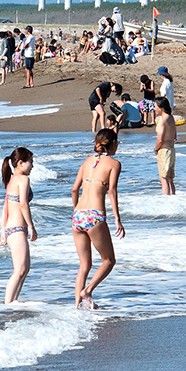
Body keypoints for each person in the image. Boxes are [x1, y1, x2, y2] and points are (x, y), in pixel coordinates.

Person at [71, 129, 125, 309]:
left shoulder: (87, 161)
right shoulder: (114, 164)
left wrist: (77, 210)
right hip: (94, 215)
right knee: (109, 261)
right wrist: (117, 218)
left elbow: (74, 189)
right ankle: (88, 290)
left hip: (78, 216)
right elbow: (112, 191)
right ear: (114, 143)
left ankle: (77, 307)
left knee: (84, 265)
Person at [0, 146, 38, 303]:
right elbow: (23, 204)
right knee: (20, 270)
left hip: (11, 229)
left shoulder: (12, 180)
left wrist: (3, 231)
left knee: (24, 270)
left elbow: (5, 207)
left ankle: (12, 303)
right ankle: (7, 305)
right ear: (21, 163)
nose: (32, 166)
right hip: (17, 229)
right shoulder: (23, 179)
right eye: (31, 162)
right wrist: (32, 227)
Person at [154, 97, 177, 195]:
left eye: (155, 107)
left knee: (164, 180)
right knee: (170, 179)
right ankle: (173, 198)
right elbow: (175, 136)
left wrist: (155, 149)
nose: (154, 109)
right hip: (171, 149)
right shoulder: (171, 118)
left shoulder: (163, 121)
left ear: (161, 107)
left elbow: (160, 139)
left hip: (164, 151)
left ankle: (166, 202)